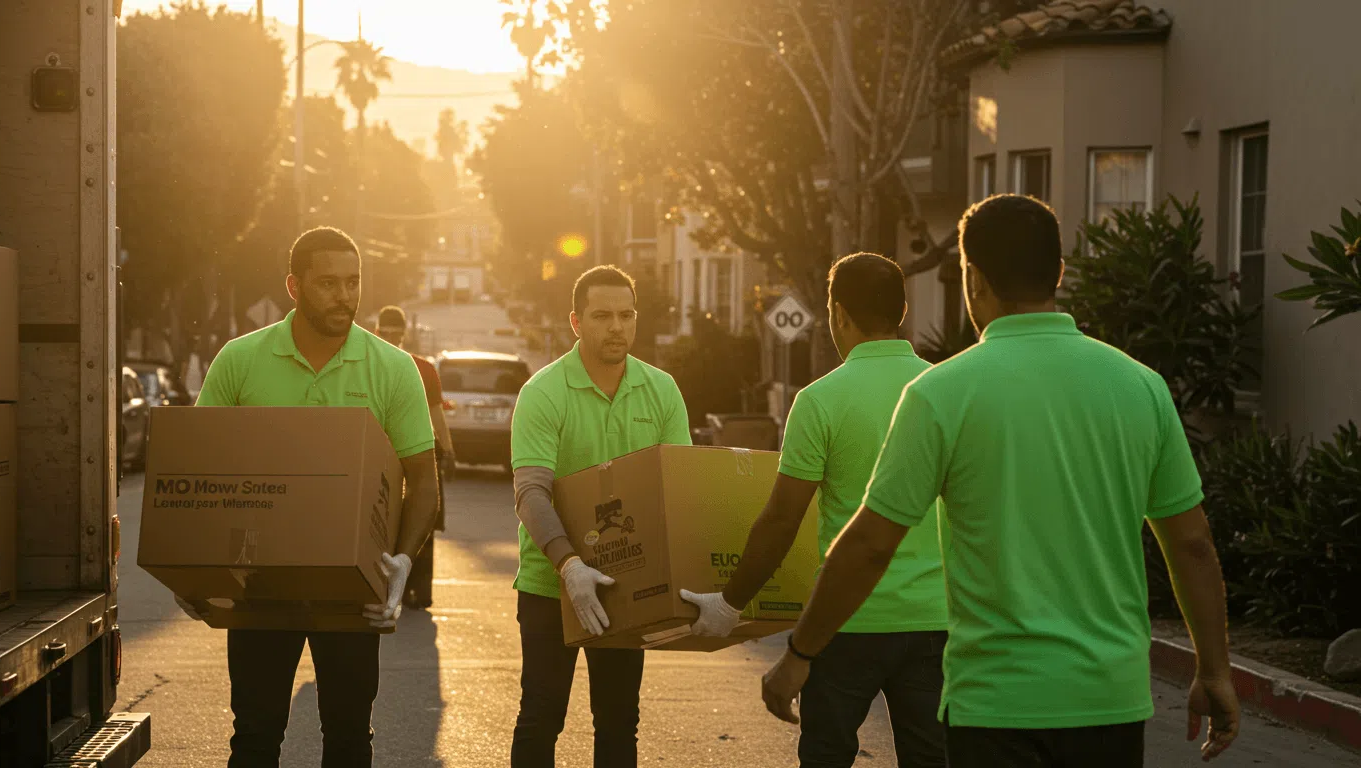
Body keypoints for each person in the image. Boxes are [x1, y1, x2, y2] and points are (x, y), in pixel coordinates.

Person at [760, 195, 1242, 766]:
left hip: (993, 706)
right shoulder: (1141, 387)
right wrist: (1213, 670)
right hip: (1110, 700)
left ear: (974, 279)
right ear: (1059, 273)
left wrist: (800, 652)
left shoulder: (942, 394)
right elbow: (1191, 544)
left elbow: (868, 546)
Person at [182, 226, 441, 768]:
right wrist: (193, 568)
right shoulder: (240, 360)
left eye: (353, 282)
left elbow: (423, 474)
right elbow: (198, 465)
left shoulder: (393, 369)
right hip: (259, 585)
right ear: (294, 287)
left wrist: (400, 564)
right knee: (254, 738)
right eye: (328, 284)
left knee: (348, 740)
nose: (344, 296)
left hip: (351, 590)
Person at [681, 253, 947, 768]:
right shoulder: (945, 389)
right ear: (903, 309)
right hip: (936, 621)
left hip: (845, 619)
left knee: (826, 756)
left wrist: (729, 603)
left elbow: (783, 519)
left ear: (838, 315)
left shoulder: (821, 400)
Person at [508, 265, 691, 768]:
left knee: (618, 722)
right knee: (541, 715)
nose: (617, 327)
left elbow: (679, 490)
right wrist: (570, 566)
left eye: (627, 315)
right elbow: (530, 493)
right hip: (550, 584)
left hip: (626, 582)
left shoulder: (661, 390)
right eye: (602, 315)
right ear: (576, 321)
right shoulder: (544, 393)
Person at [373, 305, 456, 610]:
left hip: (390, 457)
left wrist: (447, 450)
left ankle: (390, 586)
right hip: (414, 455)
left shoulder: (372, 363)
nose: (393, 338)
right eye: (390, 333)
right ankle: (418, 593)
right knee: (422, 524)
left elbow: (436, 414)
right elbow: (436, 416)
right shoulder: (422, 368)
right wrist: (447, 451)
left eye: (394, 333)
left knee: (394, 522)